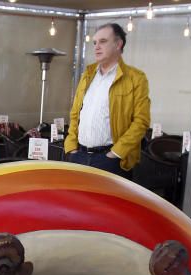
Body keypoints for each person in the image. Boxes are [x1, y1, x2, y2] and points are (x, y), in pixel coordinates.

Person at [63, 23, 150, 178]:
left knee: (103, 203)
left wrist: (115, 154)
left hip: (110, 160)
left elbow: (141, 122)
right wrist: (71, 148)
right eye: (95, 42)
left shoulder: (135, 78)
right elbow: (76, 113)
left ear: (118, 44)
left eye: (103, 41)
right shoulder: (87, 75)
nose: (96, 47)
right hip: (79, 156)